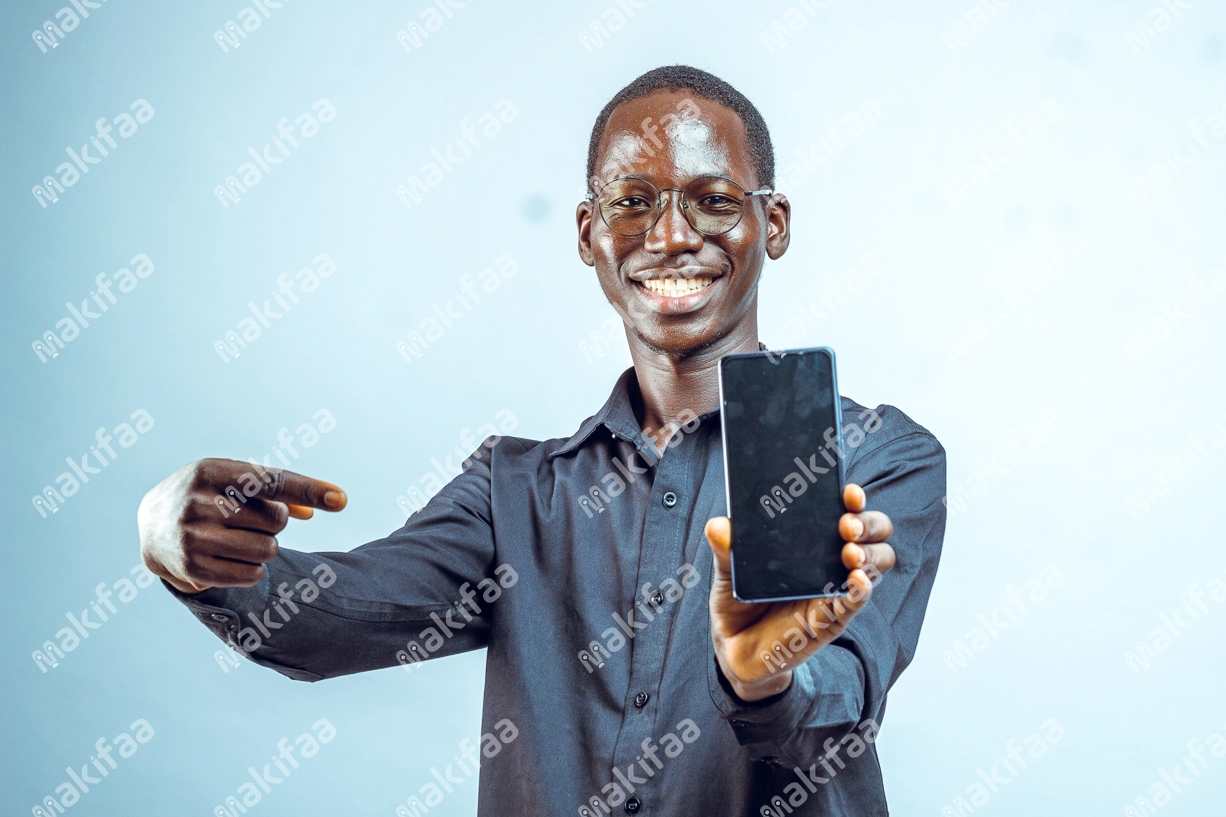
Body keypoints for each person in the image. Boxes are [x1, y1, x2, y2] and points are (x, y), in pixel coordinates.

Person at [137, 65, 946, 815]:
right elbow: (323, 623)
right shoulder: (511, 489)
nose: (669, 235)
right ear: (589, 233)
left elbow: (842, 698)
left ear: (772, 225)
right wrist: (182, 548)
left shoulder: (873, 457)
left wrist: (762, 680)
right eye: (633, 201)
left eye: (713, 199)